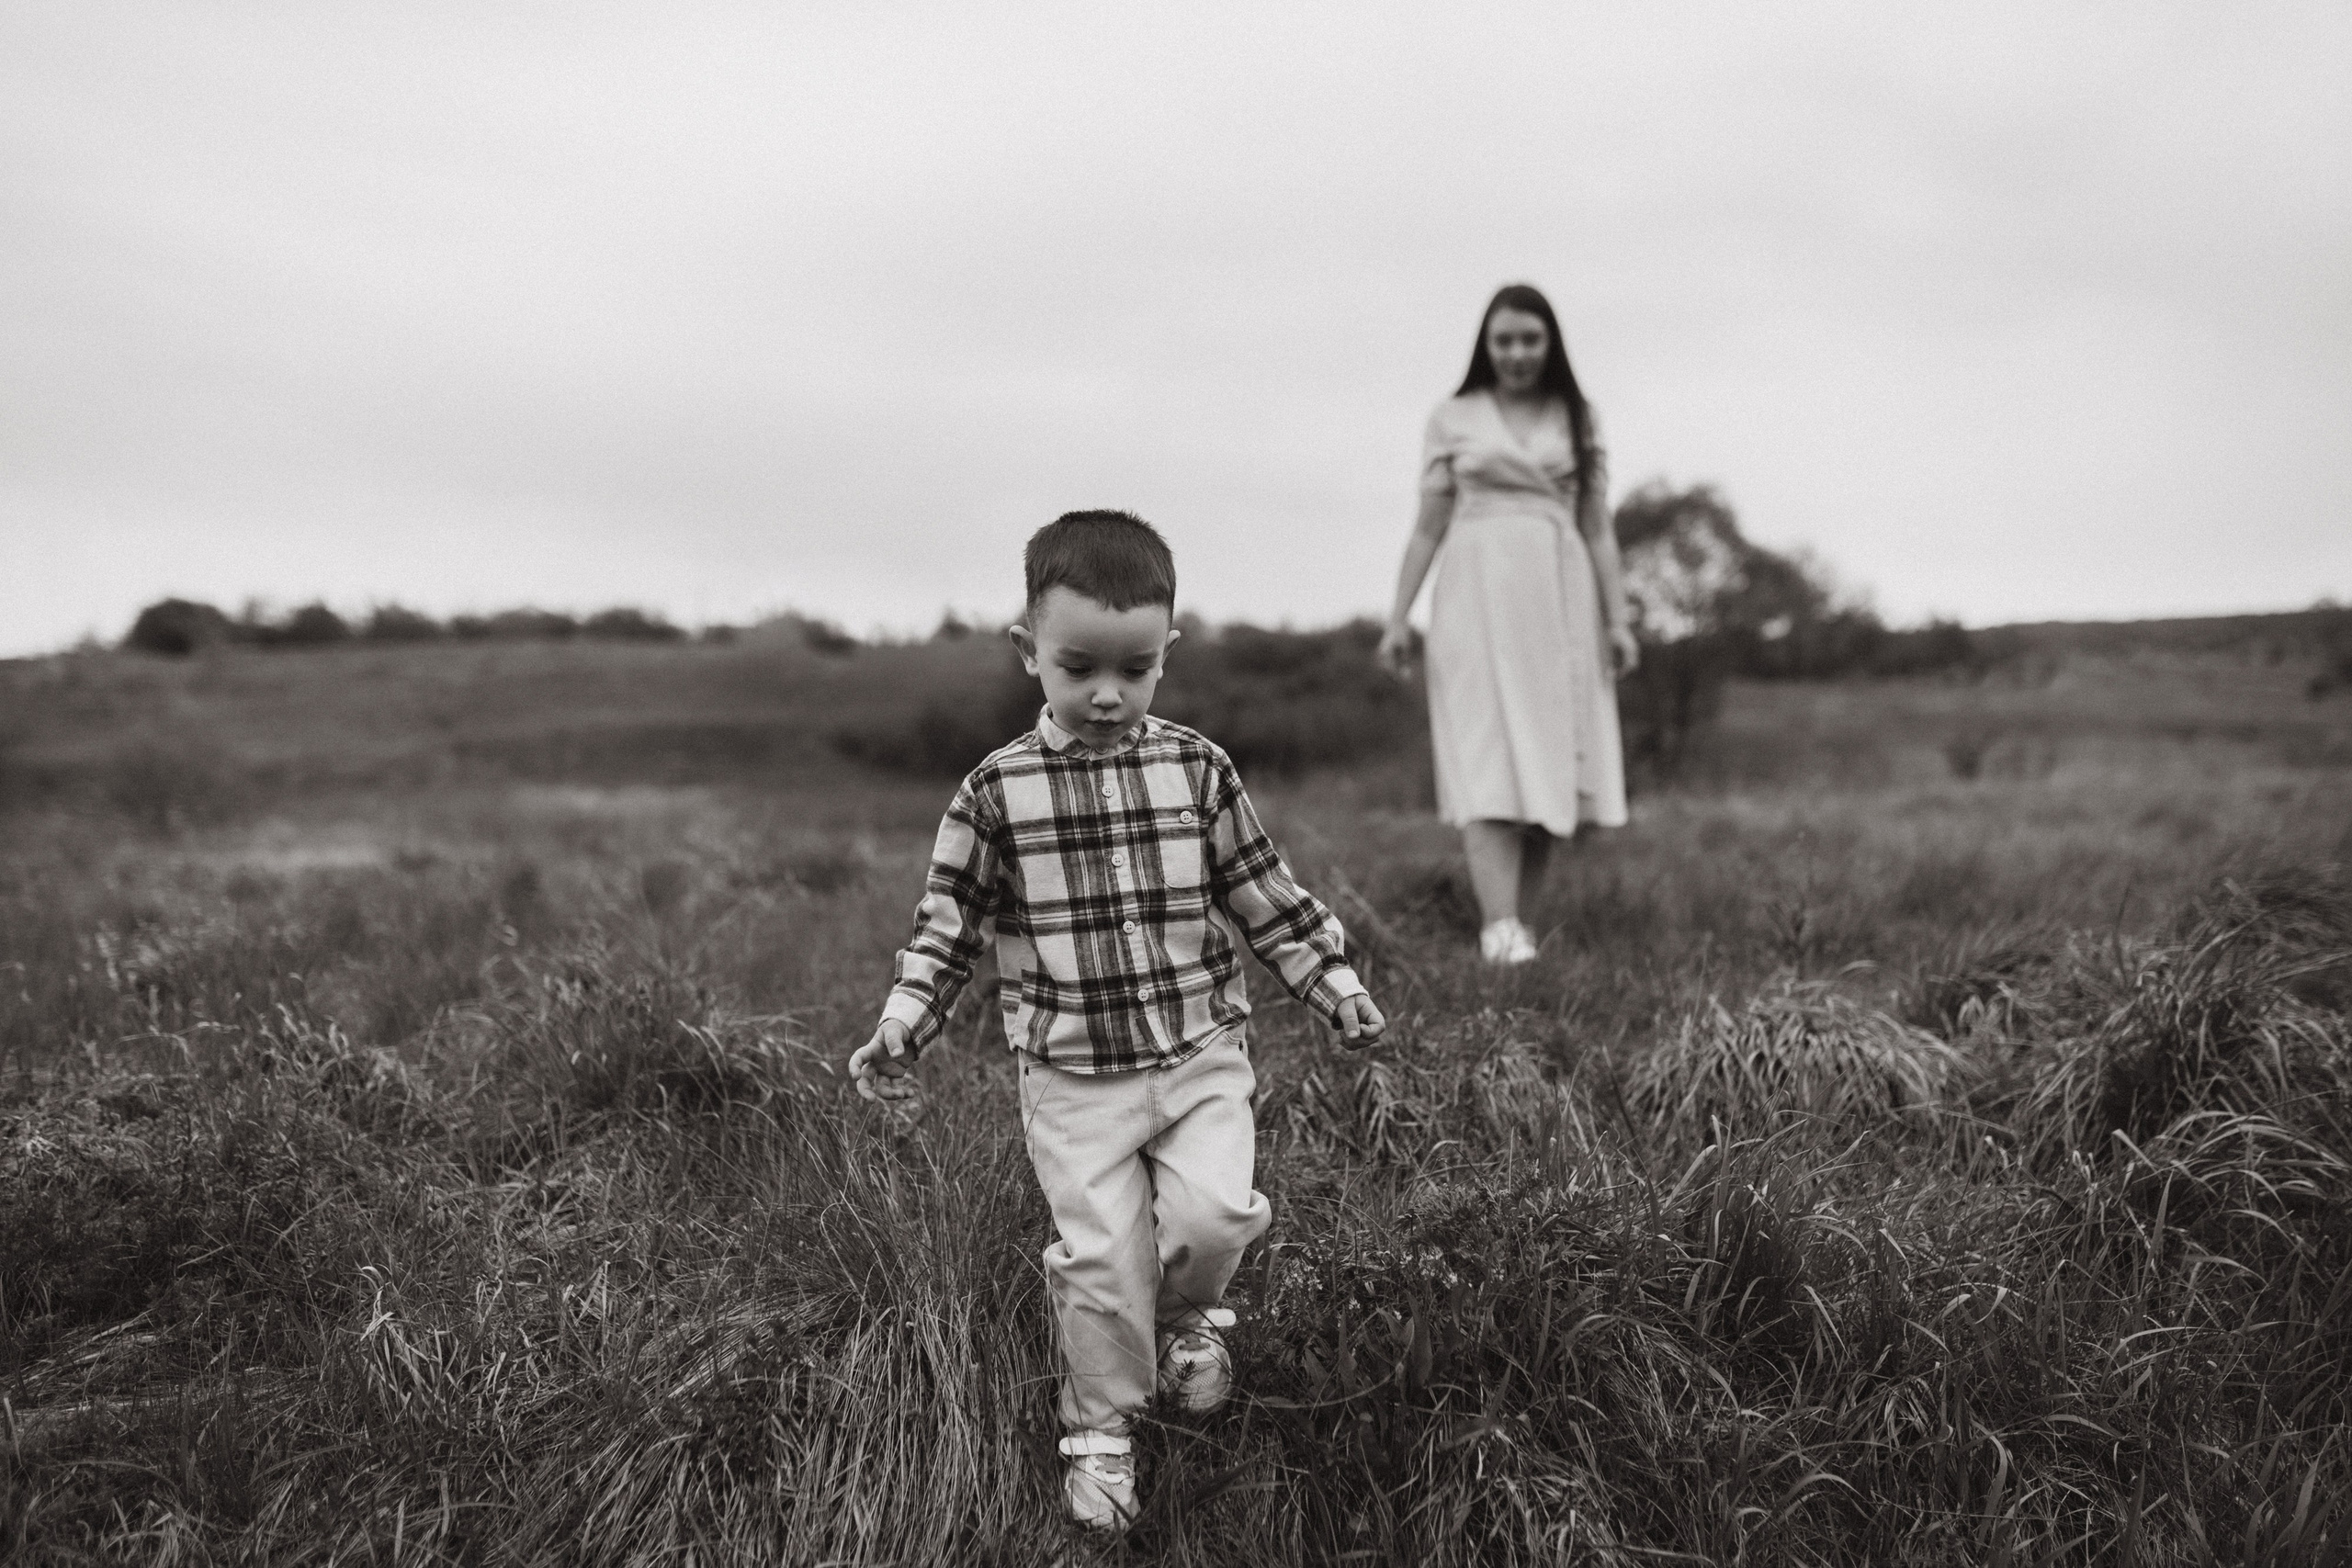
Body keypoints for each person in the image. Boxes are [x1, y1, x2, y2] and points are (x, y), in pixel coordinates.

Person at [848, 510, 1388, 1531]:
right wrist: (904, 1021)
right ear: (1027, 652)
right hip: (1071, 1076)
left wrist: (1333, 984)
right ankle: (1102, 1428)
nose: (1106, 694)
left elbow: (1263, 891)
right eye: (1078, 666)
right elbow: (945, 928)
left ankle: (1186, 1321)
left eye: (1134, 670)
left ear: (1166, 656)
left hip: (1198, 1052)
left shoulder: (1196, 770)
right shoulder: (994, 794)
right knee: (1102, 1259)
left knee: (1212, 1219)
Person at [1376, 283, 1637, 965]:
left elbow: (1599, 528)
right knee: (1487, 751)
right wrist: (1398, 616)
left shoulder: (1578, 417)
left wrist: (1619, 618)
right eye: (1504, 340)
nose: (1517, 352)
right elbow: (1428, 524)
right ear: (1485, 346)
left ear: (1549, 344)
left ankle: (1520, 925)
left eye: (1530, 339)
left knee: (1548, 757)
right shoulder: (1454, 416)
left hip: (1561, 598)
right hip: (1475, 597)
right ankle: (1498, 928)